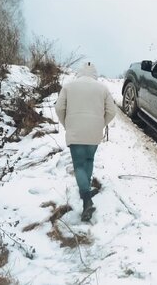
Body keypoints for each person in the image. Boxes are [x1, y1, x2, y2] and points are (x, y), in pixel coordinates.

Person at [55, 62, 117, 221]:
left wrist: (66, 124)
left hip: (75, 131)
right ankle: (86, 190)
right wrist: (100, 124)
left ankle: (86, 199)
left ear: (80, 73)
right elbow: (112, 111)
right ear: (94, 74)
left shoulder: (69, 86)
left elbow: (59, 109)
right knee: (89, 160)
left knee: (79, 165)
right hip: (94, 133)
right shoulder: (102, 88)